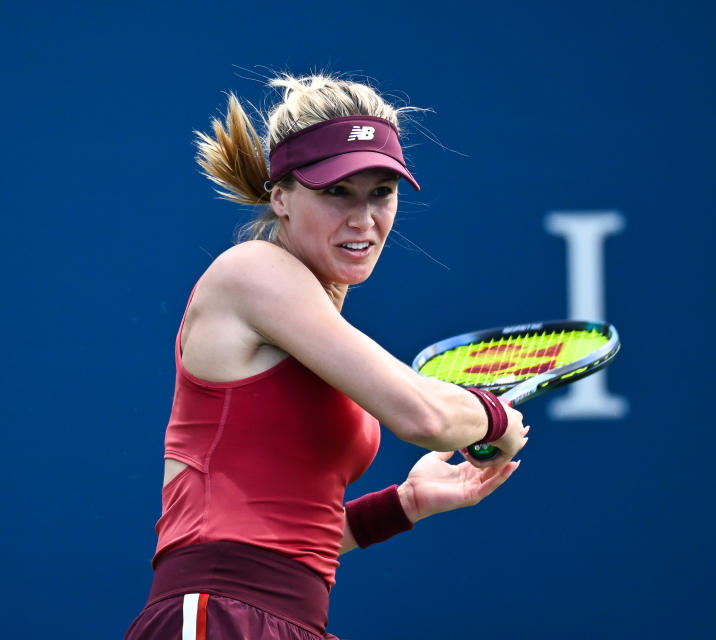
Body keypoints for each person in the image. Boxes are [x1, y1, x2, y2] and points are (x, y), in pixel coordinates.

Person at [124, 73, 528, 640]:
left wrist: (405, 503)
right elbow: (427, 418)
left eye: (380, 192)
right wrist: (498, 418)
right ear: (281, 197)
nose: (363, 218)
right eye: (337, 191)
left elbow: (284, 541)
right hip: (218, 614)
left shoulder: (320, 332)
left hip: (289, 621)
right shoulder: (252, 271)